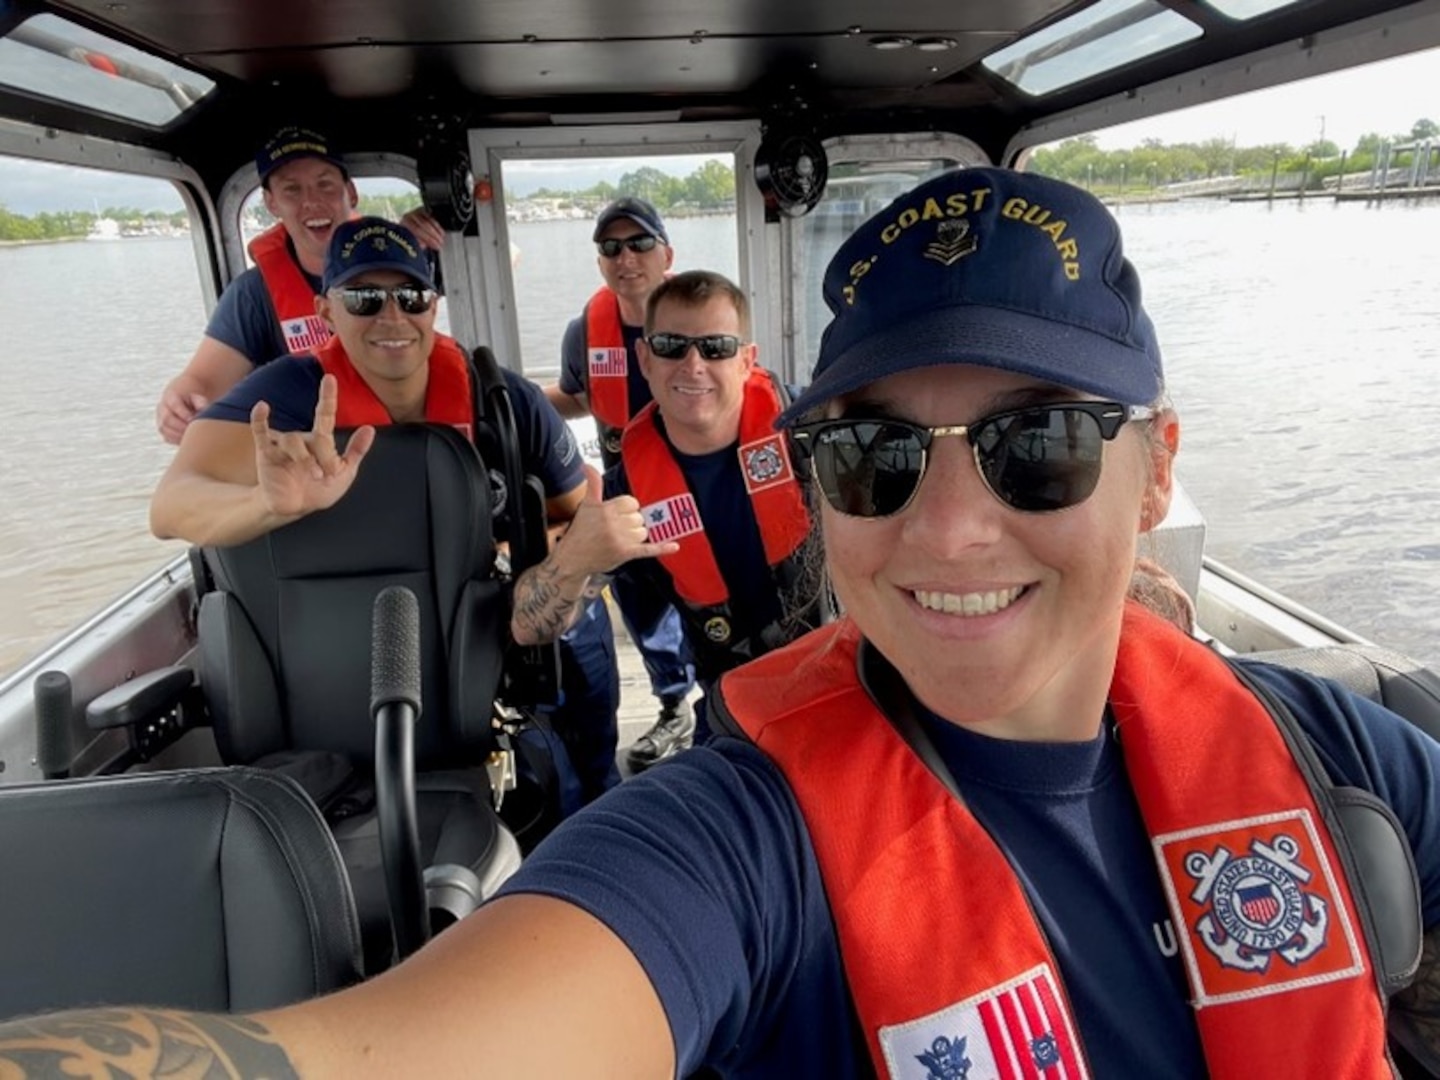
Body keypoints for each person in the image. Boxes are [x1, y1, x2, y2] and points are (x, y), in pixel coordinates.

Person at [8, 168, 1440, 1077]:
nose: (946, 527)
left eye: (1042, 444)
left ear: (1158, 471)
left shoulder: (1322, 746)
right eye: (877, 457)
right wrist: (559, 556)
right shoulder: (735, 845)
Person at [149, 215, 640, 807]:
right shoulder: (287, 397)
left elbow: (577, 516)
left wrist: (524, 563)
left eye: (410, 296)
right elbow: (171, 505)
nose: (392, 316)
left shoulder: (504, 403)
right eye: (364, 297)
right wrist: (267, 505)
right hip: (341, 656)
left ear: (433, 306)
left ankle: (600, 795)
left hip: (491, 625)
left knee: (582, 669)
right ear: (326, 311)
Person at [515, 269, 830, 742]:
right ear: (644, 358)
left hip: (850, 675)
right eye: (670, 346)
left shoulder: (819, 439)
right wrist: (573, 559)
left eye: (716, 347)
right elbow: (527, 628)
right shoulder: (627, 497)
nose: (693, 364)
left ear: (747, 360)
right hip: (736, 704)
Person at [154, 125, 444, 445]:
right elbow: (202, 383)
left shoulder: (409, 259)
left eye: (325, 185)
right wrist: (179, 404)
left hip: (414, 445)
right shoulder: (253, 295)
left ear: (351, 193)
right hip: (307, 462)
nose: (312, 202)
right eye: (292, 189)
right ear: (271, 203)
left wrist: (426, 236)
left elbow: (502, 255)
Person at [545, 196, 699, 771]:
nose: (625, 257)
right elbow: (577, 395)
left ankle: (726, 708)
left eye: (639, 243)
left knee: (713, 598)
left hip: (700, 487)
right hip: (629, 496)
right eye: (610, 247)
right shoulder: (583, 332)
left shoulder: (699, 313)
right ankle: (674, 705)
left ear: (666, 254)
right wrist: (512, 405)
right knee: (643, 605)